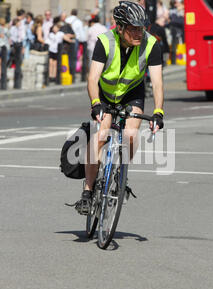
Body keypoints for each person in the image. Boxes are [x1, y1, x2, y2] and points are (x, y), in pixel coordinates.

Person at [74, 1, 164, 215]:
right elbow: (92, 78)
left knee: (131, 134)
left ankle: (120, 175)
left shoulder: (151, 44)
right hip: (105, 94)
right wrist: (96, 104)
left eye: (141, 28)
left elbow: (158, 83)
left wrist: (158, 111)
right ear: (120, 28)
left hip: (132, 93)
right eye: (133, 28)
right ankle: (87, 191)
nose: (138, 33)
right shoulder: (105, 41)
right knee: (101, 135)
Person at [0, 17, 9, 90]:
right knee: (2, 64)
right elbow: (2, 36)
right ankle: (1, 78)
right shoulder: (1, 28)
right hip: (2, 46)